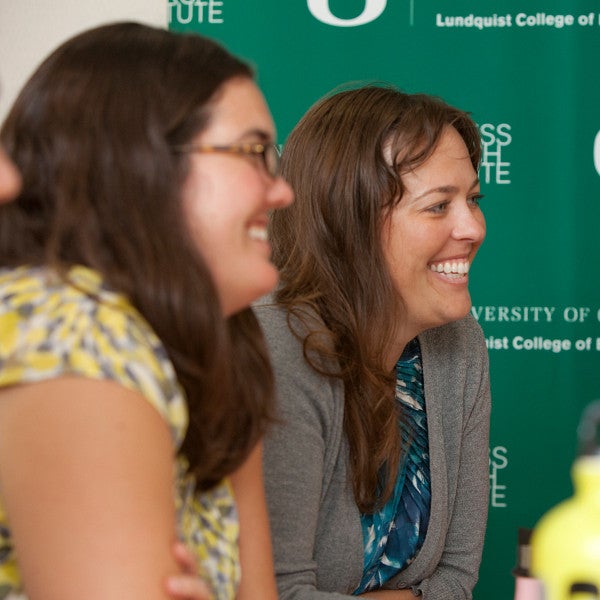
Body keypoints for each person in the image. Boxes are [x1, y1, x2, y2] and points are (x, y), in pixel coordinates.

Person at [0, 22, 293, 600]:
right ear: (138, 164)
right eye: (253, 152)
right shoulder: (70, 328)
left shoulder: (225, 348)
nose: (281, 191)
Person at [255, 85, 491, 599]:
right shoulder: (276, 346)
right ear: (349, 223)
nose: (473, 227)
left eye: (473, 199)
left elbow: (455, 578)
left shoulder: (460, 345)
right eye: (437, 207)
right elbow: (273, 593)